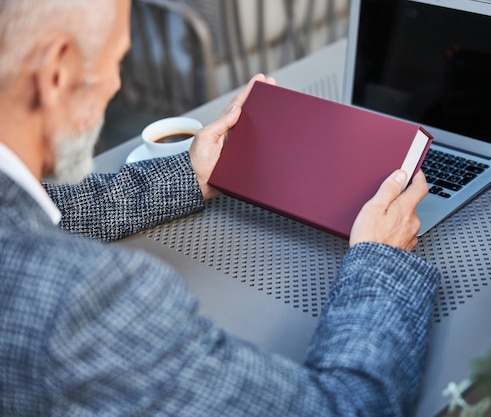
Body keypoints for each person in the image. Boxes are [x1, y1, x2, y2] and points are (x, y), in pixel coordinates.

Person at [0, 0, 441, 416]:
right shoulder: (84, 302)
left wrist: (192, 175)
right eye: (116, 62)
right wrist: (381, 259)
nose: (117, 85)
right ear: (55, 72)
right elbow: (347, 407)